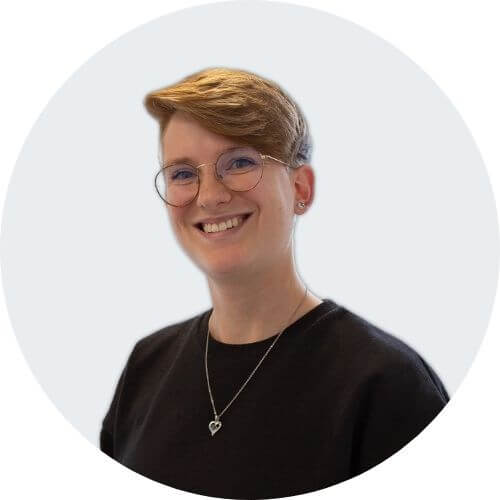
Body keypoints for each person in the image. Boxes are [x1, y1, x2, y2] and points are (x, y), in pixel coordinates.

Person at [100, 67, 449, 499]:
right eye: (183, 174)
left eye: (240, 162)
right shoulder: (146, 366)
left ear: (301, 188)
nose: (209, 196)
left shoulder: (387, 385)